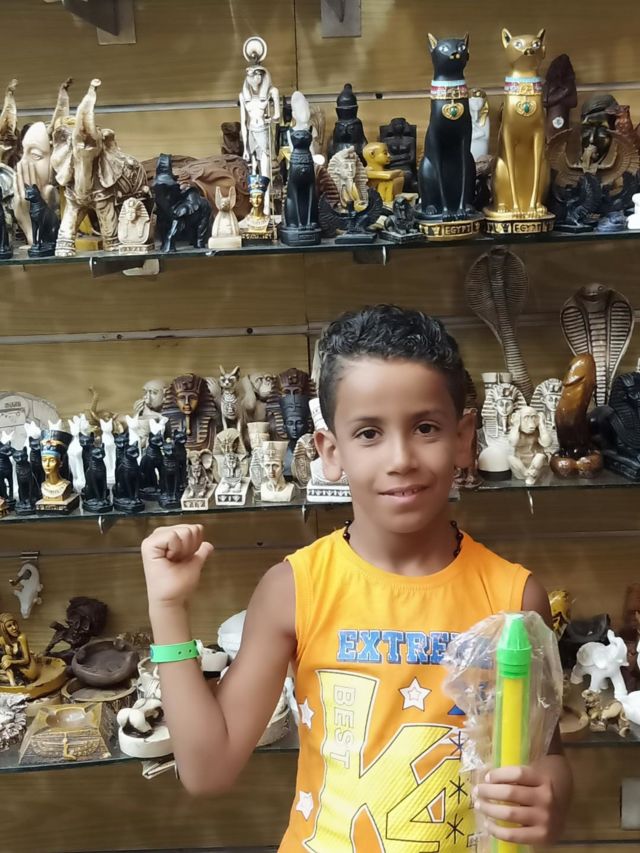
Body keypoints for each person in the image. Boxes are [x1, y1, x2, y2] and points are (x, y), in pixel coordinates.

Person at [141, 305, 572, 851]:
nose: (401, 458)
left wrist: (549, 798)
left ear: (464, 438)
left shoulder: (513, 597)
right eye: (369, 433)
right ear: (330, 451)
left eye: (425, 428)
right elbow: (208, 772)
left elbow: (545, 758)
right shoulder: (293, 588)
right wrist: (168, 611)